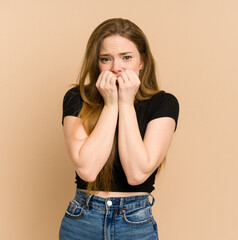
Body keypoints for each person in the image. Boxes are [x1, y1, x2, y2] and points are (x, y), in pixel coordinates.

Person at [59, 18, 179, 240]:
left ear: (142, 61)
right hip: (82, 219)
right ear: (97, 63)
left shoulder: (164, 103)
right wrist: (111, 104)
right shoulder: (76, 98)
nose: (116, 67)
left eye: (126, 57)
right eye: (106, 59)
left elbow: (137, 174)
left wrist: (126, 103)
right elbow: (87, 170)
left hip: (134, 222)